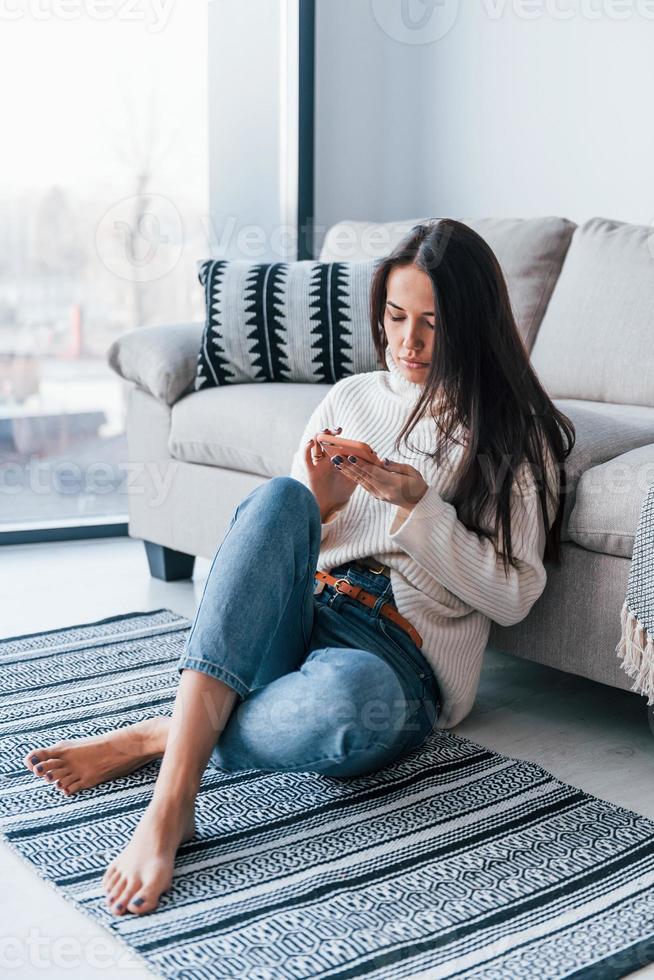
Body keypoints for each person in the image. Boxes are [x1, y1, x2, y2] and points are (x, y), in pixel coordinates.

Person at [23, 219, 574, 917]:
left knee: (341, 708)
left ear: (475, 323)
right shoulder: (350, 398)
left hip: (396, 662)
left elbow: (514, 595)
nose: (409, 343)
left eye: (433, 324)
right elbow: (273, 547)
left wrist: (420, 507)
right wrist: (320, 506)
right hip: (305, 611)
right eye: (396, 318)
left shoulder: (516, 438)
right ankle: (171, 804)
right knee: (280, 497)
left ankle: (162, 736)